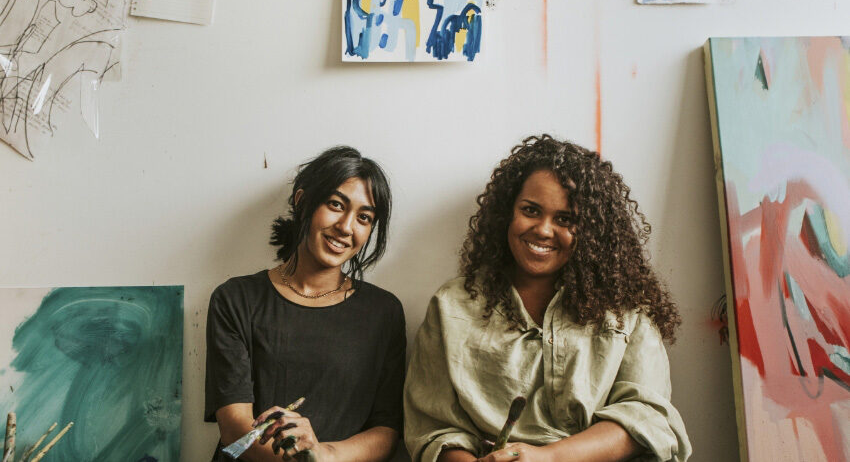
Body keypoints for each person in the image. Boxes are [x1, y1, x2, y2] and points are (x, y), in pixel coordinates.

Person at [404, 135, 692, 462]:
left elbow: (647, 416)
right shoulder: (451, 306)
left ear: (591, 230)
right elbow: (435, 429)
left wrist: (550, 458)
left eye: (565, 219)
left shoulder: (627, 309)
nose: (543, 229)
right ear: (507, 214)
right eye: (531, 211)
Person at [205, 146, 405, 462]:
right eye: (336, 205)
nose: (346, 227)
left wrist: (321, 454)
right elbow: (234, 430)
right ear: (302, 201)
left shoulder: (384, 312)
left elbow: (387, 431)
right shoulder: (236, 299)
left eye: (364, 217)